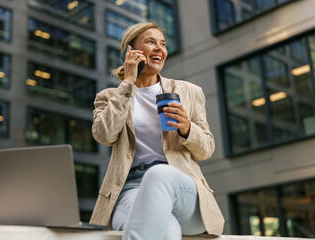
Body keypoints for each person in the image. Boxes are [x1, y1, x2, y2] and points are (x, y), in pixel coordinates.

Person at [89, 21, 224, 240]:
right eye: (150, 42)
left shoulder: (189, 92)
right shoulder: (108, 97)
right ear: (131, 51)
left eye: (162, 43)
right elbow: (104, 135)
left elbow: (207, 149)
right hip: (131, 186)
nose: (159, 48)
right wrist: (129, 83)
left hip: (181, 184)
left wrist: (188, 129)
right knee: (167, 231)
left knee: (159, 174)